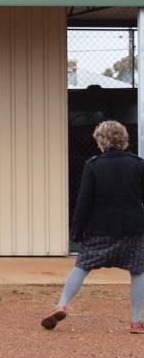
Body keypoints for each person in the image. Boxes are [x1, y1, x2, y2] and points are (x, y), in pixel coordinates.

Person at [42, 120, 144, 333]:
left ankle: (61, 305)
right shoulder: (138, 164)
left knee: (81, 266)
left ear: (100, 140)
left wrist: (76, 232)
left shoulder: (93, 165)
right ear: (124, 139)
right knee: (138, 270)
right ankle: (136, 320)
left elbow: (83, 201)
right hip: (133, 228)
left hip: (99, 228)